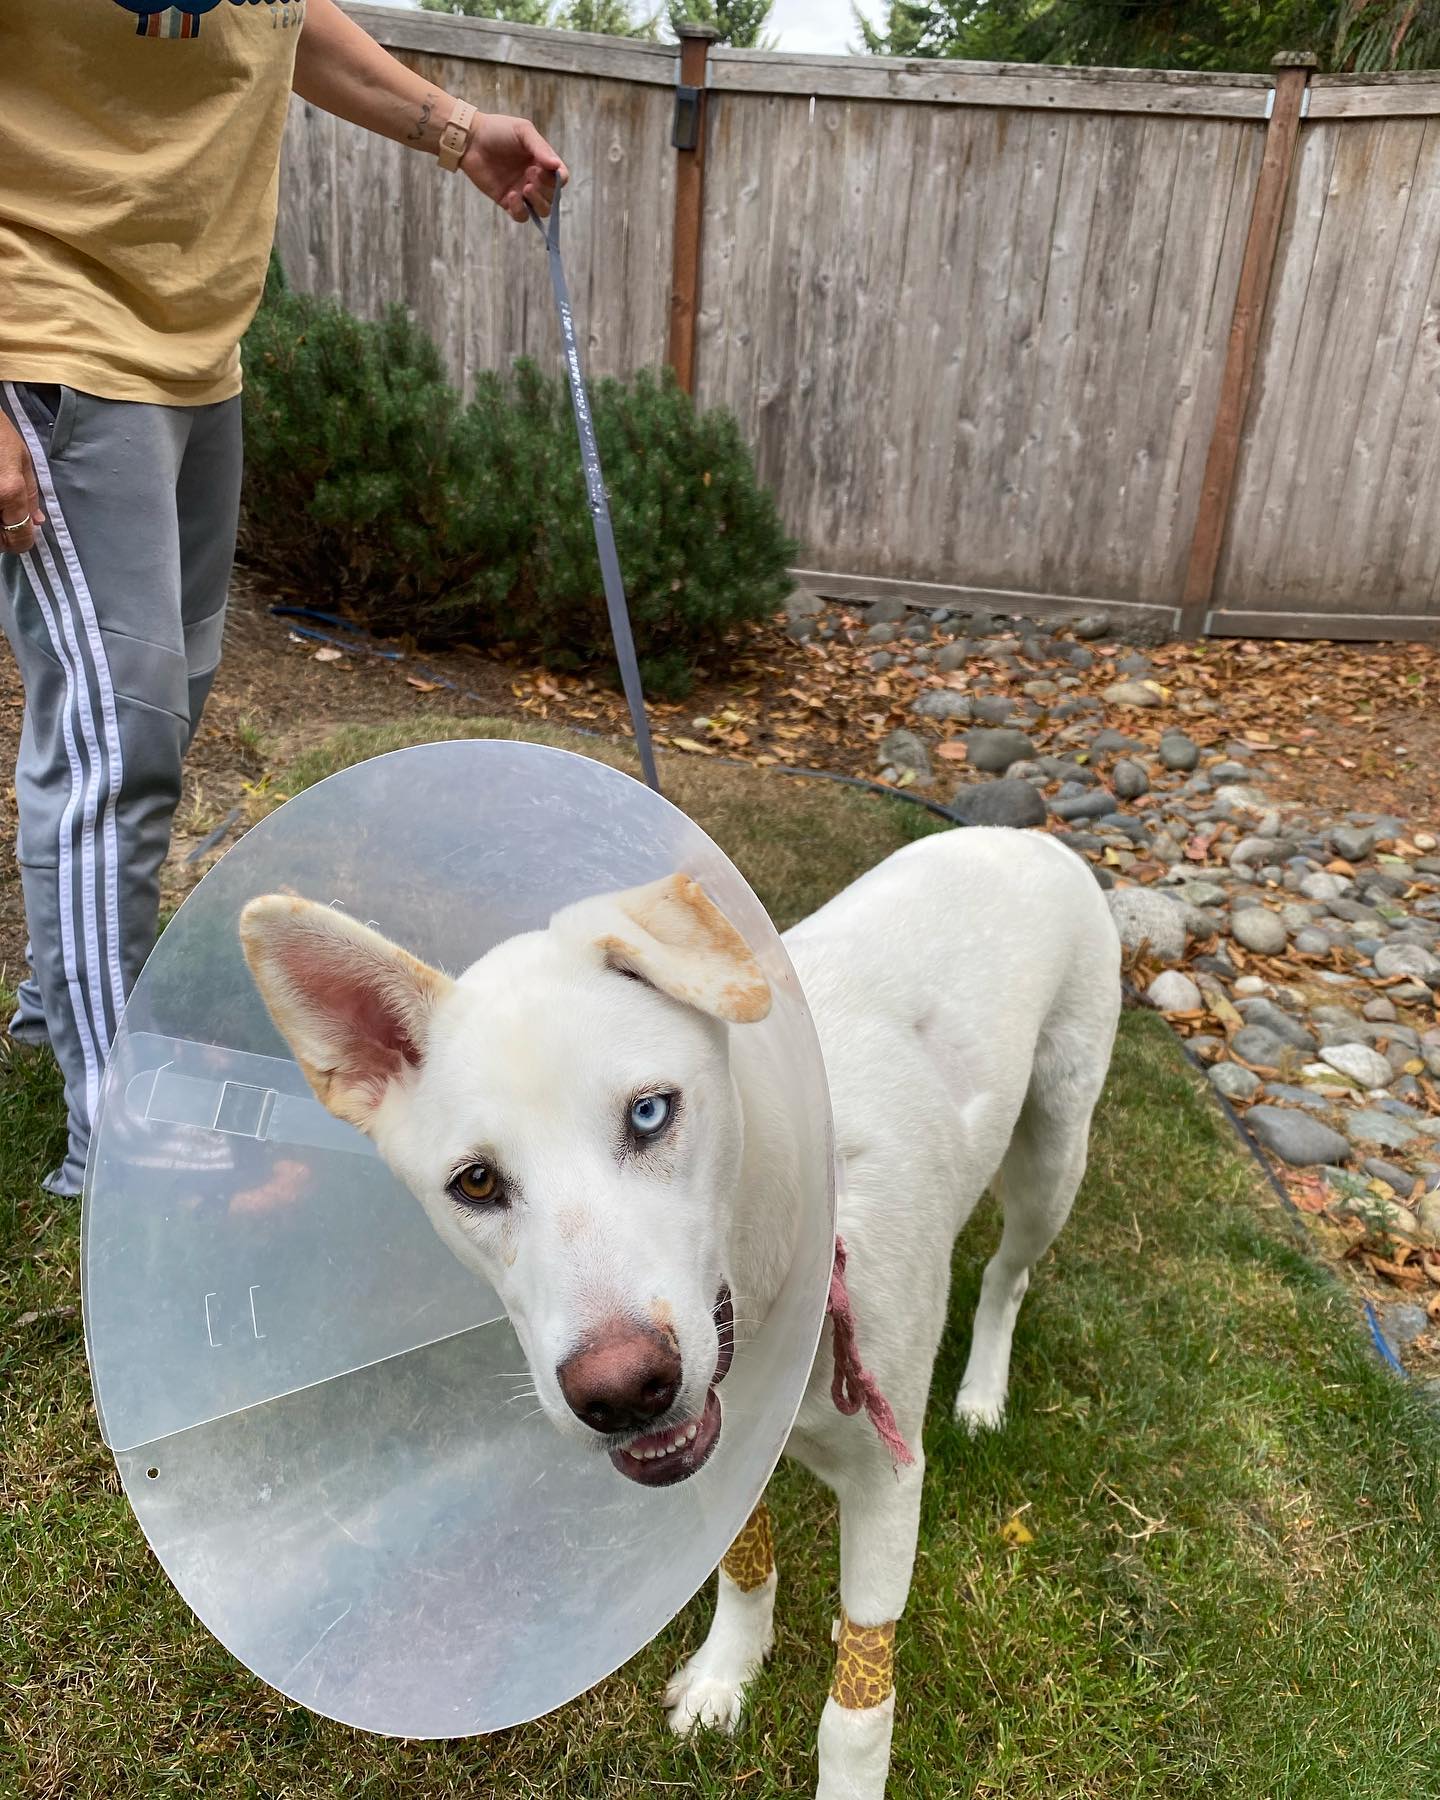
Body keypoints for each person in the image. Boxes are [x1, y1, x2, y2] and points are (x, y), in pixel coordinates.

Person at [0, 0, 567, 1197]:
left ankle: (57, 1004)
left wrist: (459, 131)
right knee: (121, 735)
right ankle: (120, 1137)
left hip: (197, 345)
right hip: (42, 332)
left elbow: (281, 21)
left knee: (168, 691)